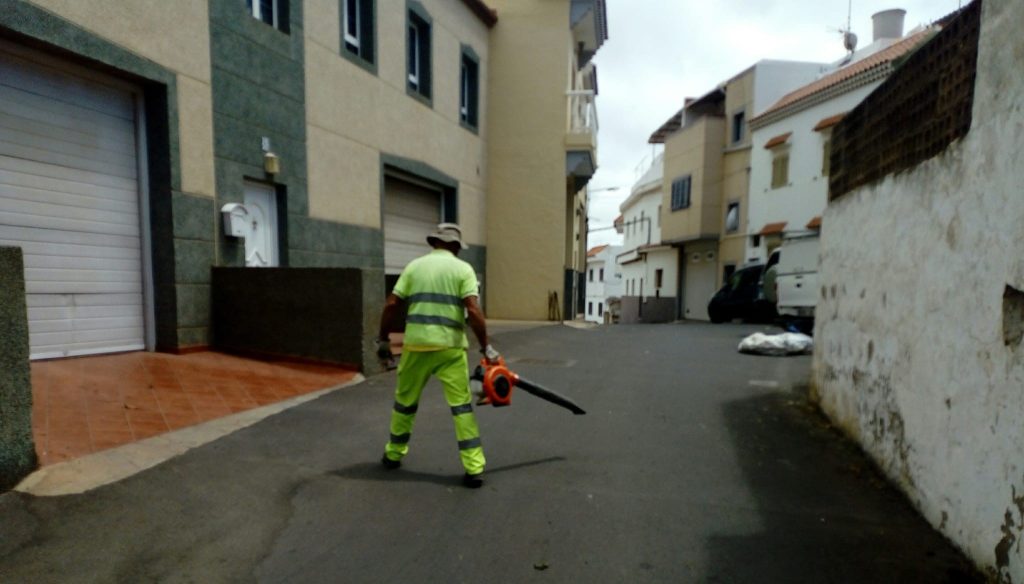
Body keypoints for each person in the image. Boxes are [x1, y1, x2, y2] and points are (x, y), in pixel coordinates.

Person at [377, 223, 500, 489]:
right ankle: (474, 467)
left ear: (434, 243)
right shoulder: (462, 269)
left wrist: (383, 340)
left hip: (416, 347)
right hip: (450, 349)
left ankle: (393, 454)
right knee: (461, 407)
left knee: (405, 403)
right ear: (456, 246)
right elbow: (473, 311)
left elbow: (391, 304)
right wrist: (486, 347)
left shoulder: (414, 267)